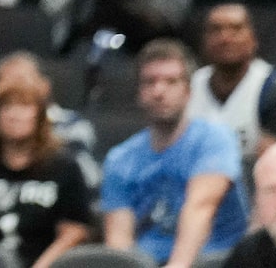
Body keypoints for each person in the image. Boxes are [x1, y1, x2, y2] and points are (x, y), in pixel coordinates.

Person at [101, 39, 246, 268]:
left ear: (188, 91)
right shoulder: (120, 159)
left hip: (214, 262)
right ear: (140, 92)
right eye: (150, 82)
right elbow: (119, 241)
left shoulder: (214, 140)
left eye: (171, 81)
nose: (159, 91)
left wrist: (177, 266)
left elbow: (201, 207)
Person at [0, 72, 92, 268]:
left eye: (24, 106)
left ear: (40, 115)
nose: (14, 115)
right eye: (6, 107)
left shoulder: (64, 167)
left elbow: (73, 233)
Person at [193, 1, 276, 158]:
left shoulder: (272, 88)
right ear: (204, 40)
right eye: (216, 30)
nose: (225, 38)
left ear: (253, 39)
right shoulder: (189, 85)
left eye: (236, 29)